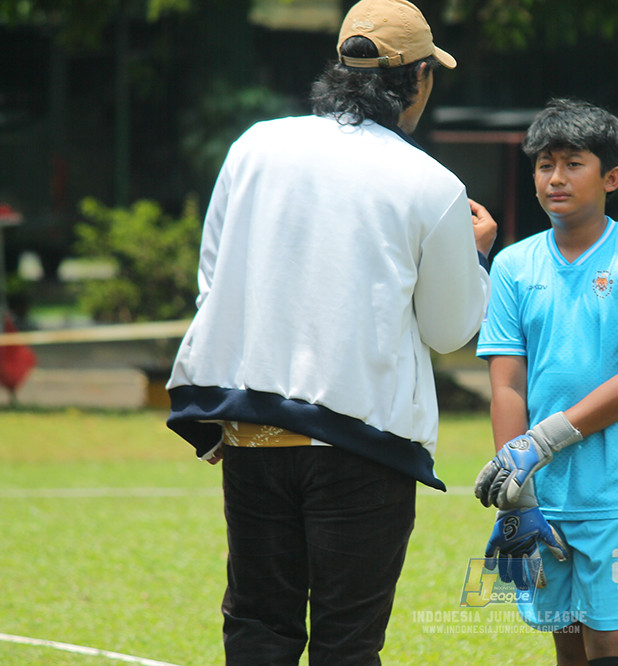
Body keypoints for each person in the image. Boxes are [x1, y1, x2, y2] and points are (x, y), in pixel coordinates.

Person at [164, 1, 496, 663]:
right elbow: (448, 327)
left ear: (341, 65)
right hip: (362, 447)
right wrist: (478, 251)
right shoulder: (432, 186)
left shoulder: (255, 147)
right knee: (347, 644)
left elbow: (214, 284)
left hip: (255, 431)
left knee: (258, 628)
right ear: (421, 78)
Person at [473, 98, 618, 666]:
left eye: (573, 163)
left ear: (611, 176)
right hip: (545, 496)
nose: (555, 177)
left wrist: (539, 442)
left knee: (612, 642)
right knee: (566, 643)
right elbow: (507, 386)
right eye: (544, 164)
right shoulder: (514, 266)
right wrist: (516, 490)